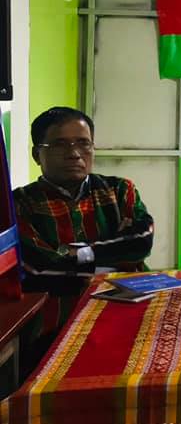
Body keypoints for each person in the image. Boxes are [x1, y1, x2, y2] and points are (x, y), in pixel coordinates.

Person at [13, 106, 154, 371]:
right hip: (55, 325)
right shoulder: (19, 204)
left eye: (83, 143)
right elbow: (37, 271)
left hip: (130, 312)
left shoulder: (119, 190)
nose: (75, 153)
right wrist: (115, 261)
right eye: (60, 144)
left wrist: (77, 254)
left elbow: (141, 242)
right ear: (36, 154)